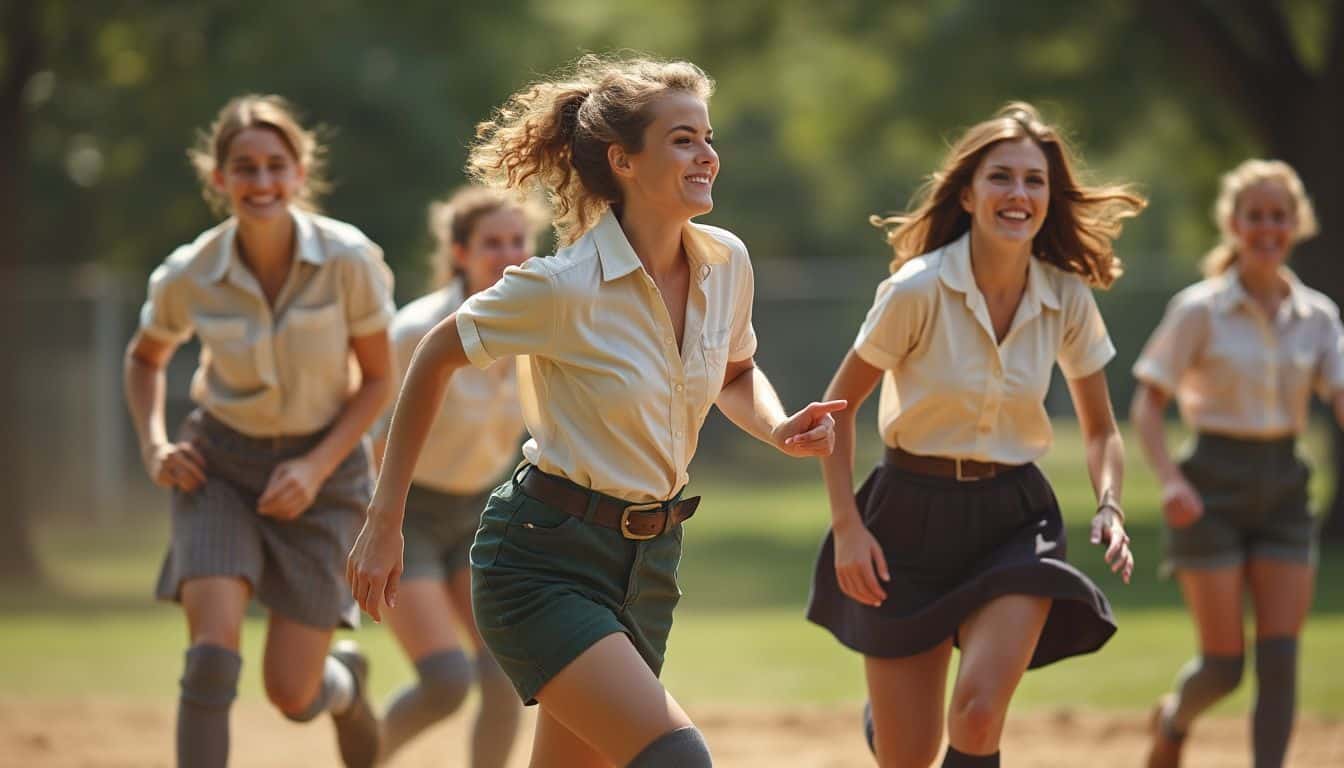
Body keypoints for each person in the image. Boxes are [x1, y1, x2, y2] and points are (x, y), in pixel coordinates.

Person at [347, 54, 844, 768]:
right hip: (542, 560)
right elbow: (434, 354)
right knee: (677, 758)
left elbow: (737, 373)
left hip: (649, 565)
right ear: (624, 160)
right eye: (682, 139)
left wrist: (776, 425)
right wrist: (384, 518)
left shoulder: (726, 262)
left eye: (707, 136)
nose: (707, 154)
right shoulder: (562, 285)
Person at [806, 102, 1142, 768]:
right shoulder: (916, 290)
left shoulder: (1067, 297)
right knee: (908, 754)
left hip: (1013, 519)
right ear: (968, 192)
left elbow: (1102, 429)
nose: (1019, 194)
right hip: (906, 515)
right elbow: (835, 411)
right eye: (1001, 178)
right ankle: (890, 717)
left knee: (980, 714)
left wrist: (1110, 502)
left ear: (1049, 197)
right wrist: (847, 526)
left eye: (1034, 181)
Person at [123, 94, 393, 768]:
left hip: (326, 473)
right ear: (220, 179)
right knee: (211, 659)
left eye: (277, 165)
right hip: (218, 465)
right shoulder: (190, 272)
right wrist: (155, 444)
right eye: (245, 167)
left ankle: (344, 685)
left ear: (300, 174)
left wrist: (315, 467)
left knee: (290, 691)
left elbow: (380, 381)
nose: (262, 181)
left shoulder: (349, 259)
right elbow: (144, 357)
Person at [1132, 159, 1337, 768]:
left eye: (1279, 216)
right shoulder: (1199, 310)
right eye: (1255, 216)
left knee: (1281, 656)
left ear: (1297, 223)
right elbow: (1147, 405)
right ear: (1233, 224)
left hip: (1284, 488)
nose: (1267, 228)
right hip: (1209, 489)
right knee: (1224, 667)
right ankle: (1174, 720)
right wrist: (1169, 481)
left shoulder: (1318, 317)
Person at [373, 186, 545, 766]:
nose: (507, 253)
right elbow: (373, 439)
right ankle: (363, 754)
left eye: (517, 239)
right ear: (459, 252)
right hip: (407, 512)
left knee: (504, 670)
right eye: (491, 242)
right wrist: (377, 526)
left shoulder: (543, 325)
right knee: (446, 682)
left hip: (480, 511)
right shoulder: (414, 331)